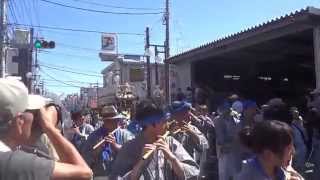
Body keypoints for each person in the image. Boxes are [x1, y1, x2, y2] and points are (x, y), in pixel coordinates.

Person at [0, 78, 92, 180]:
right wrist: (49, 127)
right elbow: (85, 173)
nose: (38, 122)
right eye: (35, 115)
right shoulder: (17, 163)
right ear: (19, 121)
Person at [109, 100, 199, 180]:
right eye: (164, 121)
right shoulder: (129, 148)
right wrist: (141, 163)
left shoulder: (170, 143)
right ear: (151, 125)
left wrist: (172, 159)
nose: (167, 125)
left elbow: (194, 172)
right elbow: (116, 177)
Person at [236, 120, 303, 180]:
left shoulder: (282, 170)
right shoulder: (248, 175)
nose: (293, 152)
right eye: (289, 148)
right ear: (268, 154)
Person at [81, 105, 134, 178]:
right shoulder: (93, 137)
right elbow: (84, 162)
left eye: (116, 120)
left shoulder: (125, 134)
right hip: (101, 176)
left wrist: (116, 146)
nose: (116, 123)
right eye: (110, 121)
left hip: (120, 176)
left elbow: (132, 154)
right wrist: (95, 152)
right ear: (104, 121)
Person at [214, 101, 242, 180]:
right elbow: (220, 137)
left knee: (235, 173)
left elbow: (238, 131)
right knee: (224, 174)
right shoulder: (218, 120)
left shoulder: (235, 119)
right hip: (223, 151)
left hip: (234, 150)